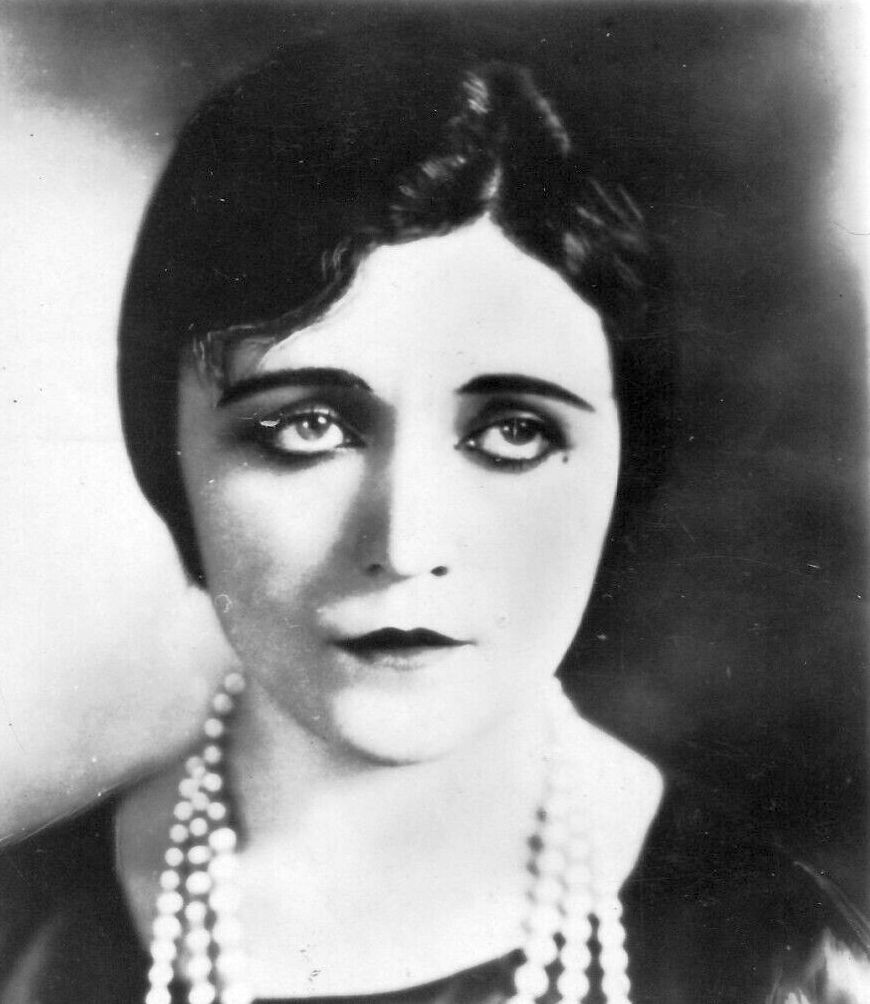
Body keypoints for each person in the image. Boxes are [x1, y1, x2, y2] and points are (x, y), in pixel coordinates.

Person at [0, 25, 866, 1004]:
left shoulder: (780, 969)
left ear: (623, 461)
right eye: (309, 426)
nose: (405, 544)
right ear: (169, 450)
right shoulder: (22, 938)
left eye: (512, 432)